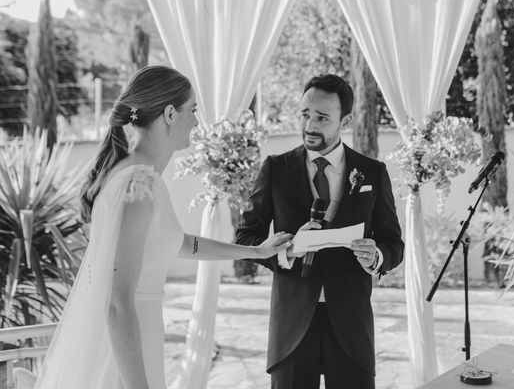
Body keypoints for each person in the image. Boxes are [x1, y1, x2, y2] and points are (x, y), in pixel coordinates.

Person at [34, 65, 292, 389]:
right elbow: (118, 302)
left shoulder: (138, 175)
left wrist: (256, 251)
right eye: (193, 111)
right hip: (123, 350)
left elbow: (181, 244)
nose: (197, 122)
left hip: (140, 336)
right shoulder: (139, 184)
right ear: (170, 113)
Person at [235, 74, 405, 389]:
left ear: (346, 120)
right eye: (305, 114)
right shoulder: (276, 169)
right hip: (292, 328)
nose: (310, 125)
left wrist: (377, 256)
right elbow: (246, 237)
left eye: (322, 117)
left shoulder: (372, 173)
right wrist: (287, 251)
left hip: (351, 327)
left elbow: (394, 243)